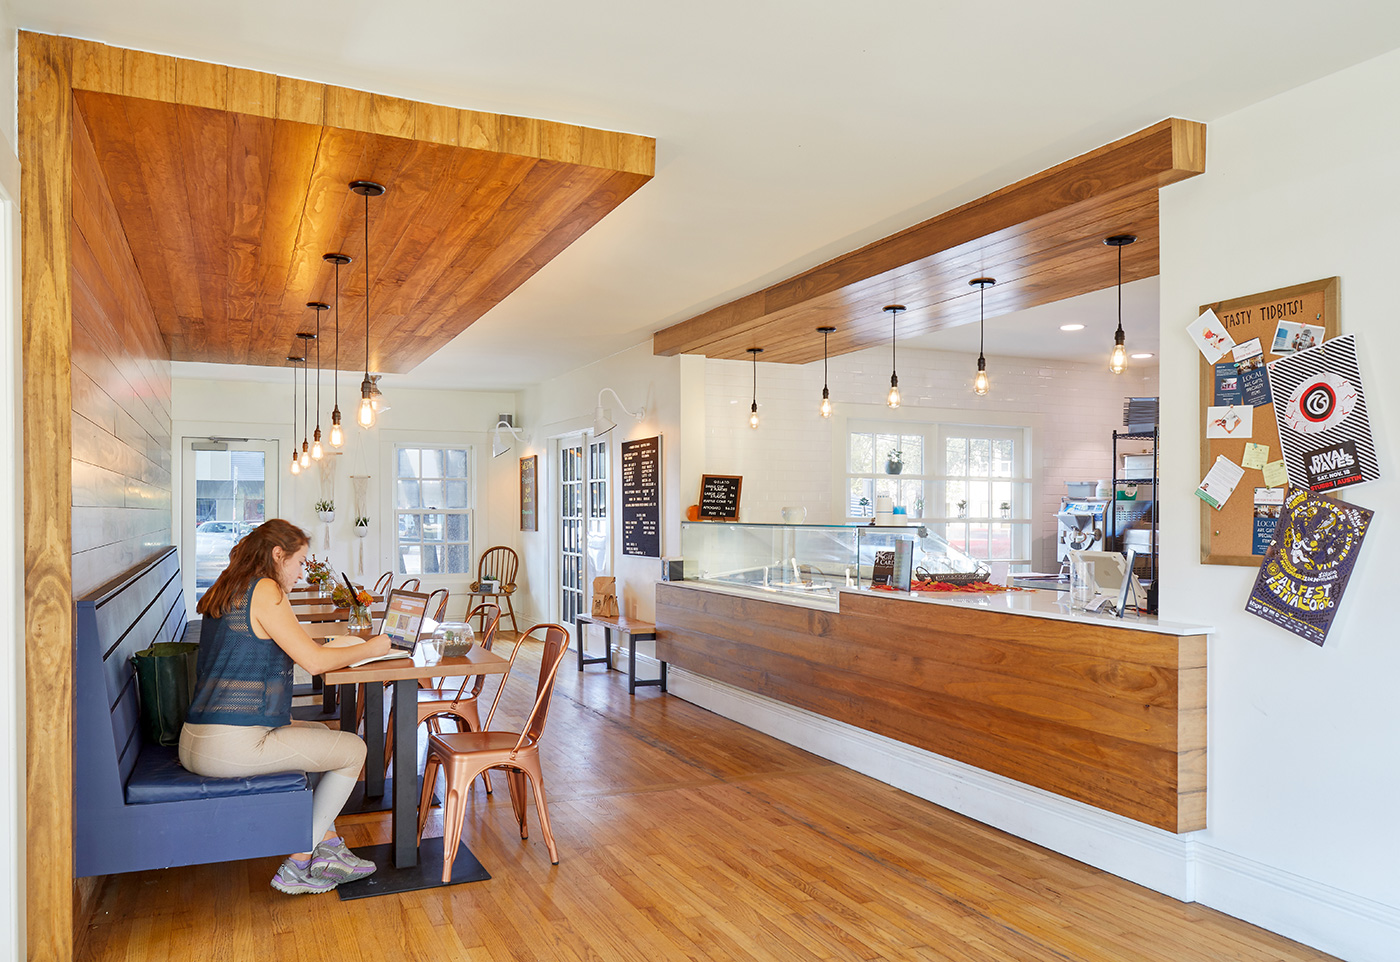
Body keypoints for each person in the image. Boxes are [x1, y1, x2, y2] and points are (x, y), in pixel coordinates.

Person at [179, 519, 393, 895]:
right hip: (230, 747)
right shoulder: (265, 590)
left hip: (197, 739)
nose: (301, 572)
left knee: (322, 734)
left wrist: (340, 650)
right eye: (299, 562)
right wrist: (374, 647)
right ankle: (299, 860)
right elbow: (313, 662)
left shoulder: (228, 587)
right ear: (278, 555)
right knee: (354, 749)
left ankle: (329, 846)